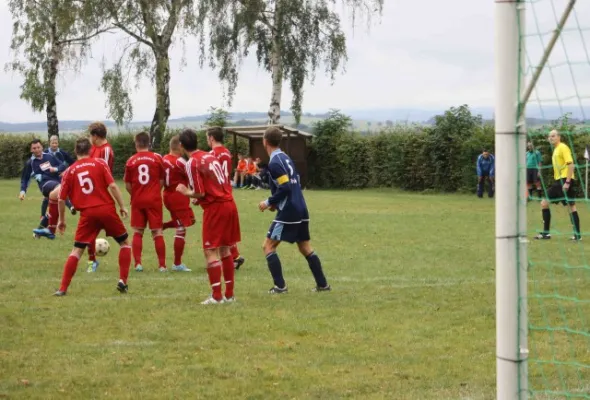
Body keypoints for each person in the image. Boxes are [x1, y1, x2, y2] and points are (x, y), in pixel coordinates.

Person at [53, 137, 131, 296]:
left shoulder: (70, 171)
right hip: (107, 210)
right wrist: (122, 206)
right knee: (124, 243)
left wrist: (61, 220)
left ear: (75, 152)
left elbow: (60, 199)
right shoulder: (100, 163)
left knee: (76, 251)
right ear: (90, 150)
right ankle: (122, 280)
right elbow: (113, 186)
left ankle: (62, 289)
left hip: (87, 214)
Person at [257, 126, 331, 294]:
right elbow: (289, 184)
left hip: (289, 210)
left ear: (265, 141)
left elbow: (285, 187)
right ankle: (323, 285)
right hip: (301, 208)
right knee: (305, 247)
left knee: (268, 246)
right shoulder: (286, 158)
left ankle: (280, 287)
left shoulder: (275, 162)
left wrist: (268, 202)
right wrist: (276, 202)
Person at [176, 128, 241, 304]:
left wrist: (185, 192)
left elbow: (199, 192)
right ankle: (229, 294)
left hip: (216, 208)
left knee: (210, 251)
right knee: (225, 249)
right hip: (229, 203)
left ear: (181, 146)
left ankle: (216, 296)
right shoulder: (210, 155)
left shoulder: (192, 162)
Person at [124, 131, 167, 272]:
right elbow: (162, 180)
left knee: (137, 231)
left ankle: (138, 264)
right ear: (149, 143)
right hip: (154, 199)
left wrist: (136, 194)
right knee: (157, 232)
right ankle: (162, 266)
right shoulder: (157, 158)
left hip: (137, 200)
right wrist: (154, 191)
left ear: (136, 143)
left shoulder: (131, 160)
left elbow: (127, 185)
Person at [207, 126, 246, 270]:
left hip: (217, 193)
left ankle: (220, 259)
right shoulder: (227, 152)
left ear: (211, 138)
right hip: (227, 191)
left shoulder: (211, 154)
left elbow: (210, 176)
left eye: (207, 138)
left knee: (217, 230)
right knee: (227, 228)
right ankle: (235, 256)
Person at [535, 129, 581, 241]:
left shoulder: (563, 147)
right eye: (549, 136)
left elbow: (571, 165)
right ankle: (546, 234)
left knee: (571, 207)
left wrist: (568, 182)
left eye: (553, 136)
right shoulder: (556, 149)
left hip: (565, 180)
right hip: (558, 181)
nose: (551, 138)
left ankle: (577, 235)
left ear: (559, 137)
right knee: (544, 203)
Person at [20, 139, 68, 240]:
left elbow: (62, 165)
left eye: (38, 147)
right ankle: (70, 206)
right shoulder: (30, 163)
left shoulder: (49, 156)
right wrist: (23, 191)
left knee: (53, 210)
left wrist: (56, 169)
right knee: (60, 201)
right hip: (47, 187)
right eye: (34, 148)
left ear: (42, 147)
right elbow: (25, 178)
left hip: (58, 185)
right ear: (31, 150)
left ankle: (39, 232)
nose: (37, 150)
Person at [162, 135, 195, 272]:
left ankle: (162, 226)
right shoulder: (180, 161)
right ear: (181, 147)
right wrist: (194, 192)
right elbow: (192, 174)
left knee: (190, 220)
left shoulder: (163, 159)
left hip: (168, 195)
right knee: (181, 227)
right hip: (178, 196)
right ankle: (177, 263)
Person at [86, 121, 115, 272]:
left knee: (121, 236)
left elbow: (102, 174)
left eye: (90, 136)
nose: (89, 138)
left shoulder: (105, 150)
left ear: (96, 136)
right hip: (92, 197)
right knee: (90, 233)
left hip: (101, 198)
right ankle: (92, 261)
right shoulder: (94, 149)